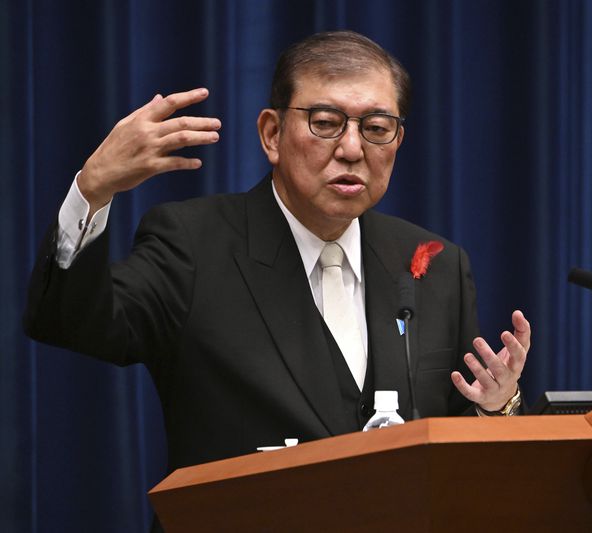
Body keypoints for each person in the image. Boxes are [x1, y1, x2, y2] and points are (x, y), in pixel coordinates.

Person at [24, 31, 529, 475]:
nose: (353, 148)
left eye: (376, 128)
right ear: (272, 133)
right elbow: (74, 324)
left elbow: (464, 448)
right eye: (326, 122)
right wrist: (92, 192)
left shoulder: (433, 262)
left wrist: (498, 407)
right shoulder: (194, 243)